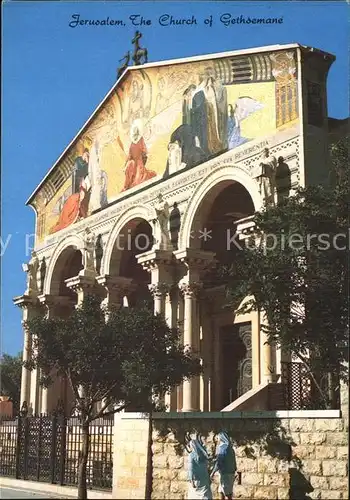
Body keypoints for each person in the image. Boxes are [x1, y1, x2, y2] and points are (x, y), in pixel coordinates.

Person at [122, 120, 156, 191]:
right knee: (130, 165)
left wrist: (143, 160)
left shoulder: (141, 139)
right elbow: (130, 155)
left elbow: (144, 151)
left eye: (135, 131)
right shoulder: (132, 143)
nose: (134, 132)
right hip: (133, 161)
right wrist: (125, 165)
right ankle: (127, 184)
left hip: (139, 161)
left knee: (138, 175)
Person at [210, 431, 237, 500]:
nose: (217, 440)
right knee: (225, 491)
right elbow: (234, 462)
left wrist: (212, 472)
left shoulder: (222, 448)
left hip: (225, 474)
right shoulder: (231, 449)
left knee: (225, 492)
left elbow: (219, 462)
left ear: (221, 438)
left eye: (218, 438)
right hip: (231, 473)